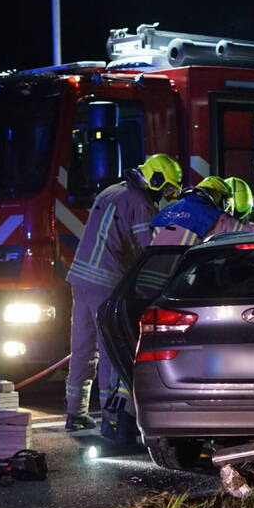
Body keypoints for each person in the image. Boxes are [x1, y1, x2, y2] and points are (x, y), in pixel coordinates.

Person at [65, 153, 183, 434]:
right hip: (106, 282)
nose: (166, 194)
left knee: (82, 347)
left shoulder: (111, 191)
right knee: (110, 352)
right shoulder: (140, 202)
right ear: (154, 180)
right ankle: (111, 418)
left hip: (79, 278)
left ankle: (74, 413)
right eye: (166, 188)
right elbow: (148, 248)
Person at [151, 176, 254, 246]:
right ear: (221, 199)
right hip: (177, 274)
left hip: (150, 271)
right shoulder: (213, 216)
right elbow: (249, 233)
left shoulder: (168, 210)